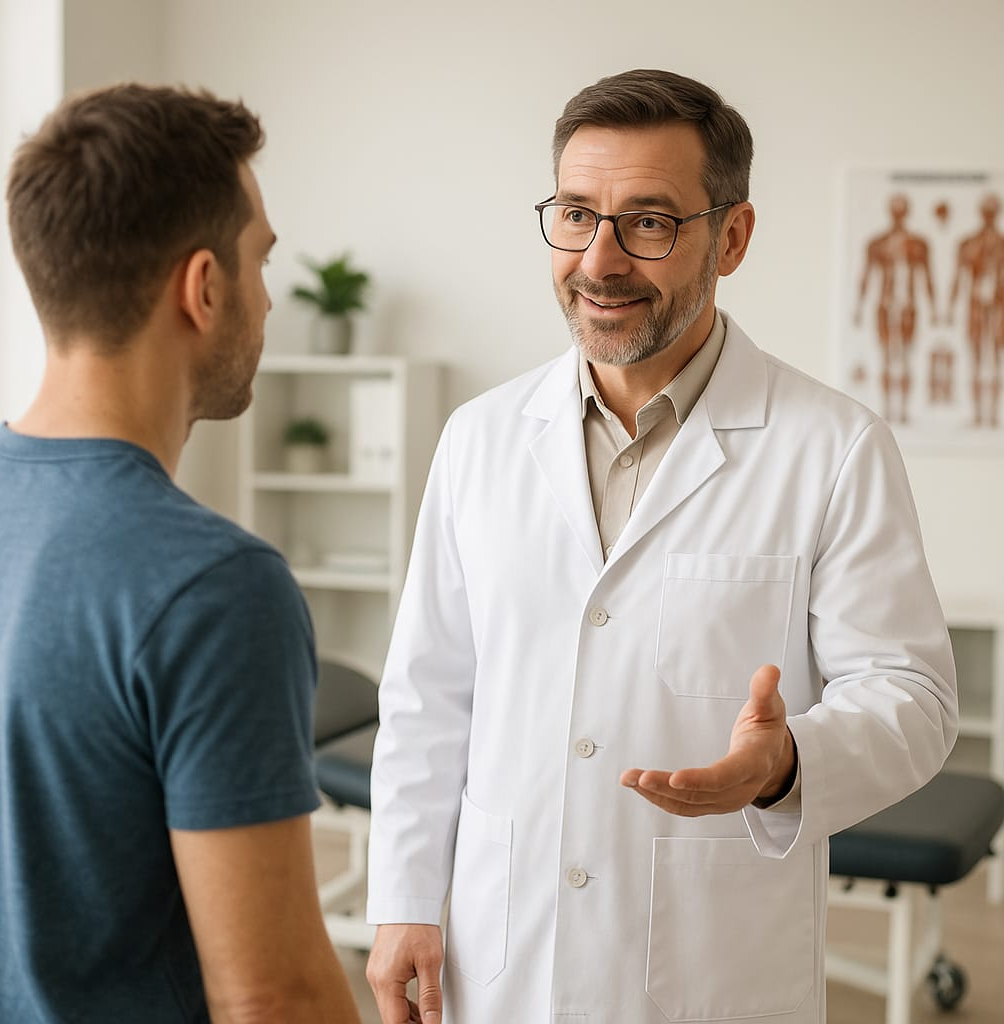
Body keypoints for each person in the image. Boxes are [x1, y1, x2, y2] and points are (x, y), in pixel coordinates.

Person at [365, 69, 958, 1024]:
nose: (598, 260)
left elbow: (915, 699)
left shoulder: (833, 446)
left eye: (647, 222)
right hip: (507, 952)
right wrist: (400, 900)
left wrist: (787, 763)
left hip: (714, 969)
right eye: (574, 214)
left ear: (732, 236)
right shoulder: (480, 437)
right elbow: (431, 692)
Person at [0, 84, 361, 1023]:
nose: (268, 298)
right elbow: (272, 999)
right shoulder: (214, 587)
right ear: (202, 287)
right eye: (260, 260)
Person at [853, 192, 938, 423]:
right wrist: (859, 307)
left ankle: (903, 411)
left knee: (906, 357)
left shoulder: (918, 245)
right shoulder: (878, 244)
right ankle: (889, 410)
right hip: (885, 304)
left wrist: (934, 309)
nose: (898, 215)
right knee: (886, 357)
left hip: (908, 307)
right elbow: (866, 277)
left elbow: (926, 277)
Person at [948, 193, 1004, 426]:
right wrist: (949, 308)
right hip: (975, 308)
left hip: (999, 307)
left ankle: (991, 414)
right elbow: (959, 278)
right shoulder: (969, 244)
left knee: (996, 359)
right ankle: (978, 414)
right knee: (977, 358)